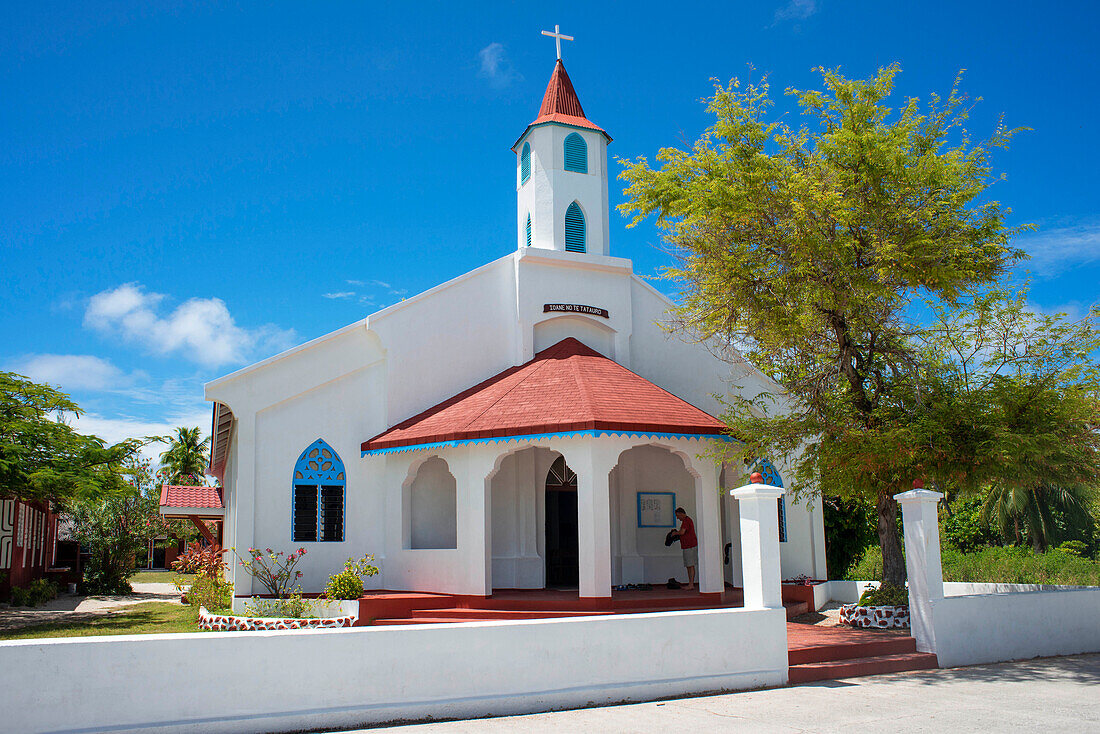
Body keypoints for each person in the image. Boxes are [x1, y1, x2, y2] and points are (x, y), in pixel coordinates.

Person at [671, 507, 698, 590]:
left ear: (681, 513)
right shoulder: (686, 521)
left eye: (677, 515)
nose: (677, 518)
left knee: (690, 565)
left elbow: (682, 532)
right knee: (689, 565)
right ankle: (690, 583)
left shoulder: (686, 521)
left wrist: (675, 533)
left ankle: (691, 584)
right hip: (687, 546)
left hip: (689, 546)